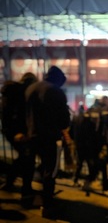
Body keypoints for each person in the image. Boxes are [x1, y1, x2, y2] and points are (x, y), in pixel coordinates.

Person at [25, 66, 71, 219]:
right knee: (49, 171)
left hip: (31, 135)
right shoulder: (55, 91)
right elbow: (64, 120)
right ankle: (47, 205)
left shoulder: (31, 88)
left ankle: (26, 197)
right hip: (49, 136)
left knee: (29, 167)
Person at [0, 72, 38, 208]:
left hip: (10, 130)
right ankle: (26, 191)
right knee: (28, 159)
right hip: (19, 131)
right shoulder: (23, 92)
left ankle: (10, 183)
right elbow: (20, 113)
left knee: (24, 157)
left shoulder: (13, 90)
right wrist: (20, 131)